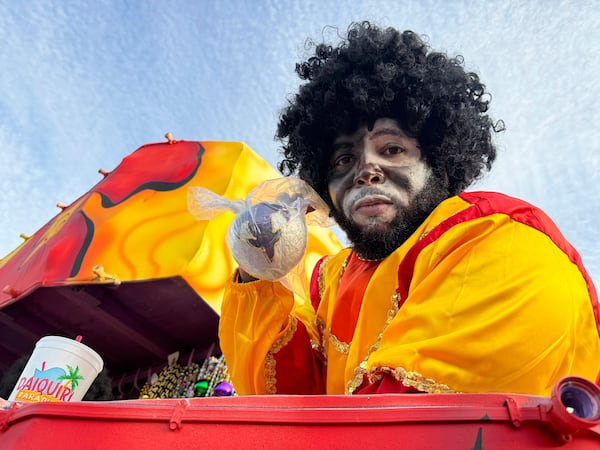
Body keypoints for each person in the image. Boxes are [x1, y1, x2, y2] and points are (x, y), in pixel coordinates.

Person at [218, 21, 600, 396]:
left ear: (438, 160)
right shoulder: (330, 280)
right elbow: (283, 402)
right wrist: (258, 268)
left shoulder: (500, 241)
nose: (366, 171)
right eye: (342, 160)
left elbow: (414, 426)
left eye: (392, 149)